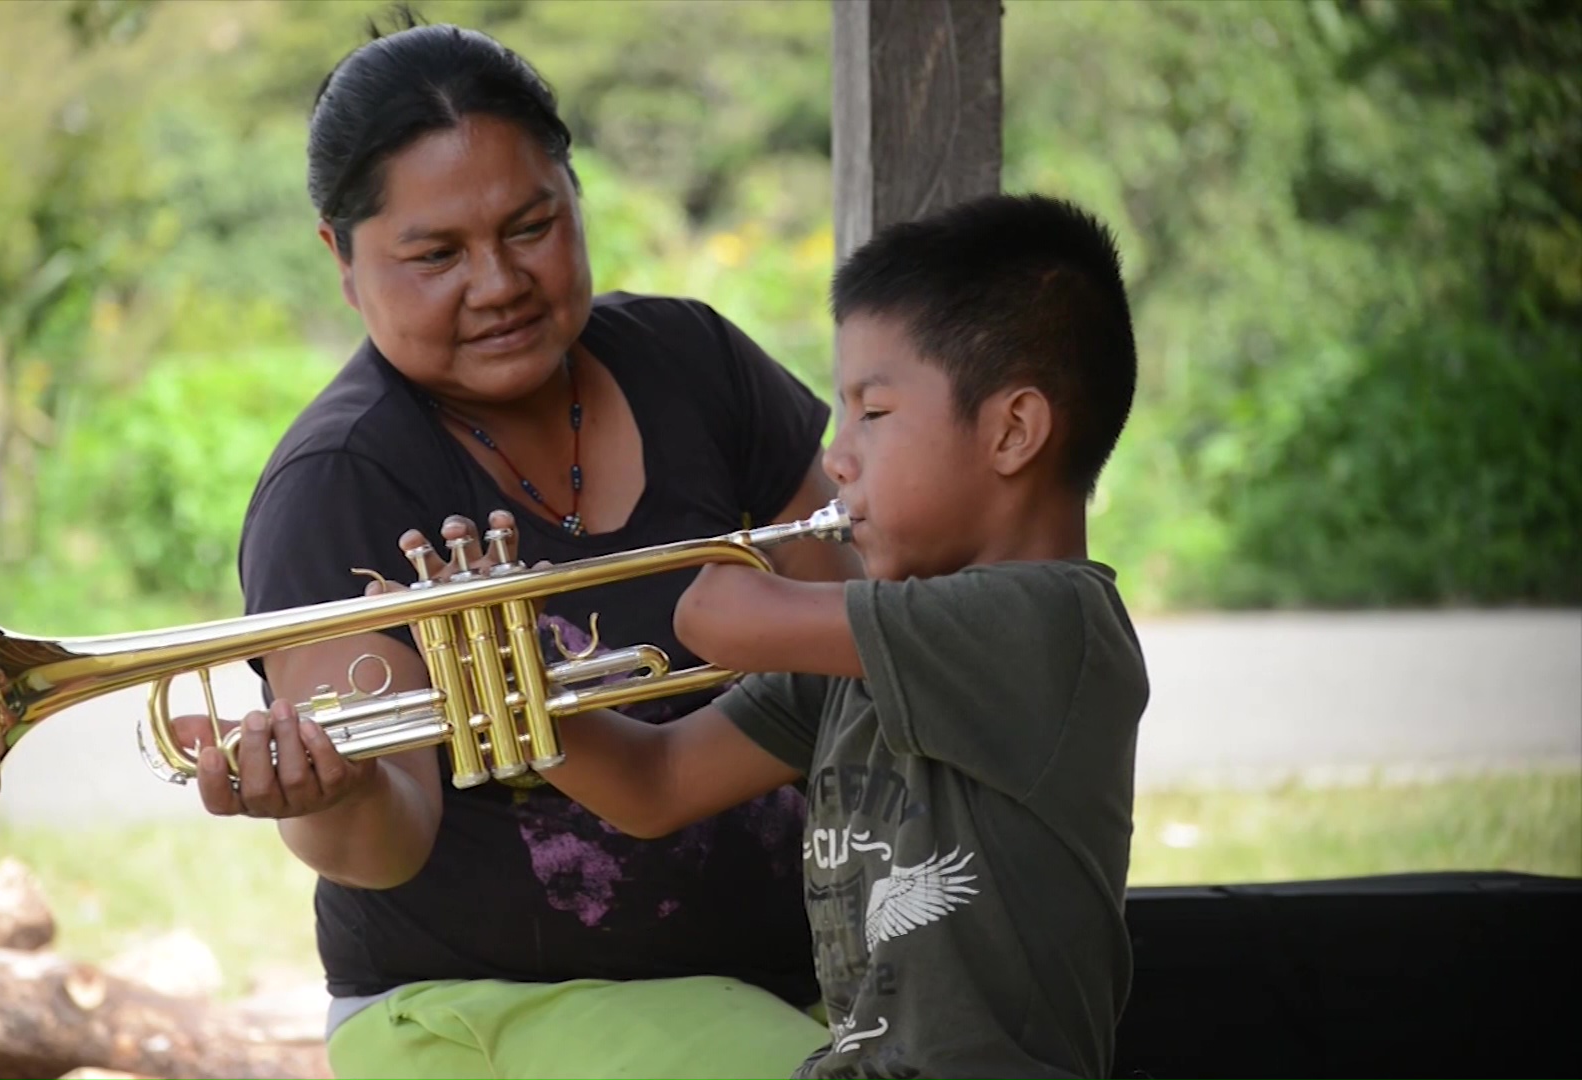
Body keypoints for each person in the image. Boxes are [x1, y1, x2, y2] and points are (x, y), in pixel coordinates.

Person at [171, 14, 860, 1080]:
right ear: (342, 261)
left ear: (576, 197)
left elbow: (851, 638)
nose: (497, 283)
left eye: (531, 226)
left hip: (799, 980)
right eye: (436, 254)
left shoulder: (695, 359)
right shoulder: (340, 483)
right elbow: (382, 842)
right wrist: (335, 793)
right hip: (480, 1013)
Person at [415, 194, 1151, 1079]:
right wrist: (500, 674)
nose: (839, 458)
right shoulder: (862, 654)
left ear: (1013, 431)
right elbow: (655, 783)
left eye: (872, 414)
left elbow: (716, 617)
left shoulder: (1051, 621)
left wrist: (723, 554)